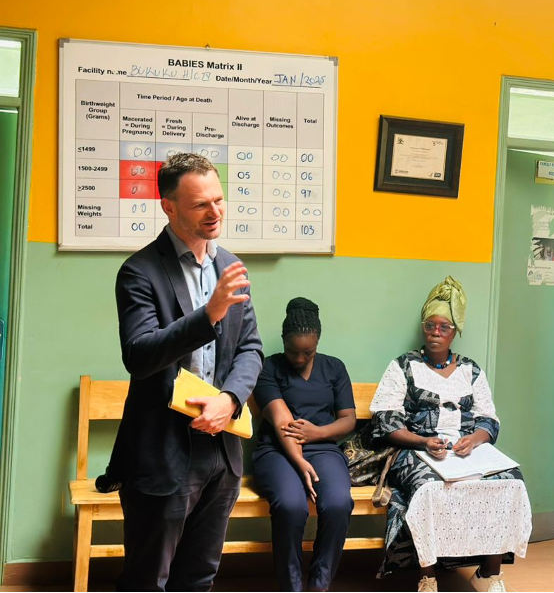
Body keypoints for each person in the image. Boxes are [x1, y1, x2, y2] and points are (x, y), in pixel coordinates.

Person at [112, 153, 263, 592]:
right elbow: (139, 356)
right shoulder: (139, 271)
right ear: (169, 207)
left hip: (222, 444)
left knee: (199, 577)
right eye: (200, 204)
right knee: (147, 580)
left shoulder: (230, 266)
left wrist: (230, 400)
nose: (215, 212)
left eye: (219, 199)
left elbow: (250, 349)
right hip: (163, 448)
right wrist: (208, 314)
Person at [369, 276, 531, 593]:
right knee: (430, 486)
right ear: (423, 327)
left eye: (444, 327)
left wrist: (475, 439)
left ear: (455, 332)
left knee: (509, 481)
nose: (436, 333)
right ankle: (427, 577)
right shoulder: (404, 366)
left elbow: (489, 419)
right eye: (430, 326)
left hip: (466, 451)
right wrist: (423, 441)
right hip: (415, 450)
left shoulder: (471, 370)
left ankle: (489, 574)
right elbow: (385, 420)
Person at [252, 298, 356, 592]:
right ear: (283, 340)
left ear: (318, 341)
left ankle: (319, 584)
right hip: (277, 451)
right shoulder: (268, 367)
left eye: (307, 353)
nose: (299, 359)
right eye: (292, 351)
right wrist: (299, 460)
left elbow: (348, 419)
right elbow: (282, 421)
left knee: (338, 504)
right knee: (290, 506)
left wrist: (317, 433)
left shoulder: (334, 368)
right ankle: (292, 586)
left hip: (323, 449)